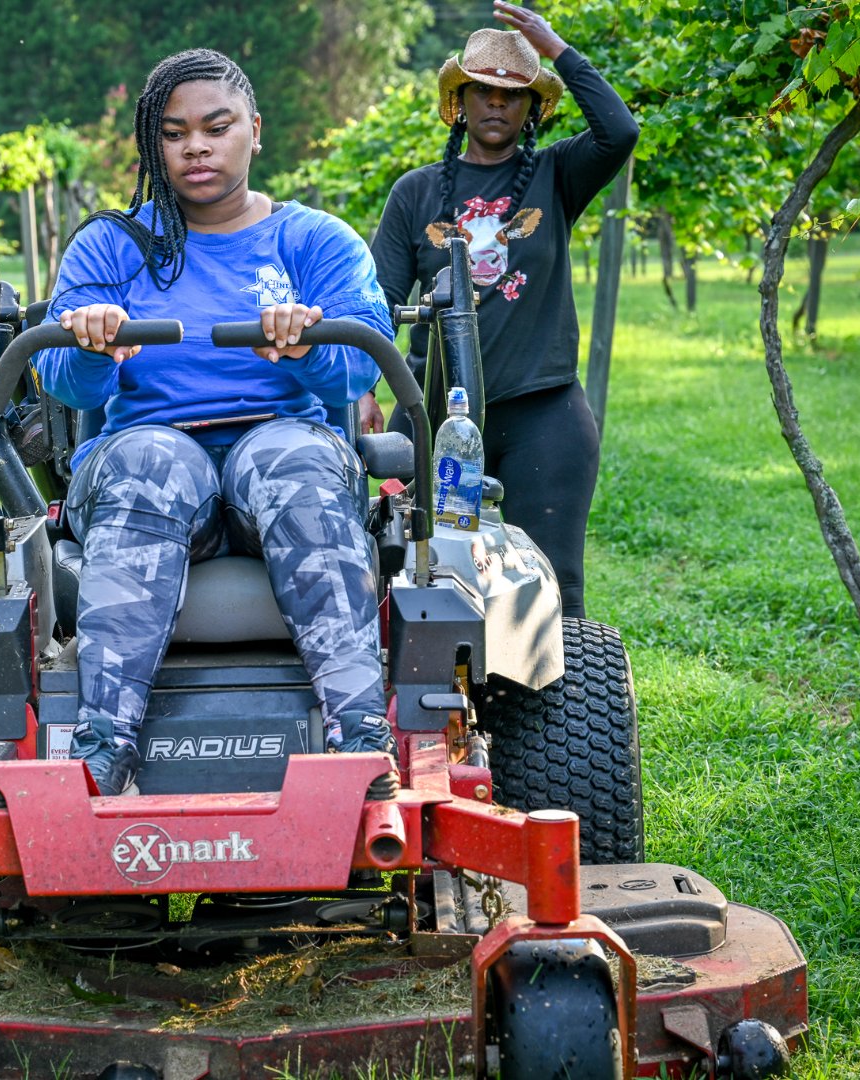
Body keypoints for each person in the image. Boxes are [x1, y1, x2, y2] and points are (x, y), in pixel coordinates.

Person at [35, 48, 395, 796]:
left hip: (280, 451)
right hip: (149, 459)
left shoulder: (316, 241)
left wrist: (307, 346)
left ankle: (361, 741)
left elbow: (362, 366)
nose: (194, 146)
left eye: (215, 126)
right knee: (152, 463)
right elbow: (61, 382)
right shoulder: (111, 246)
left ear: (254, 131)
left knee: (295, 456)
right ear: (153, 145)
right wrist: (96, 343)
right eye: (172, 133)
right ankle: (103, 752)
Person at [369, 1, 639, 619]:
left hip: (542, 409)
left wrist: (556, 51)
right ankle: (432, 706)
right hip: (433, 413)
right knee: (412, 572)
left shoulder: (555, 174)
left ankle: (551, 712)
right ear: (459, 101)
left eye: (512, 95)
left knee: (554, 584)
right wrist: (364, 391)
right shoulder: (415, 192)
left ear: (531, 108)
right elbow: (377, 303)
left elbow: (620, 132)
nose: (496, 104)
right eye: (483, 91)